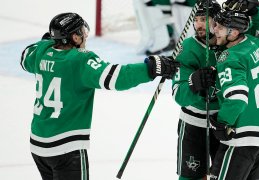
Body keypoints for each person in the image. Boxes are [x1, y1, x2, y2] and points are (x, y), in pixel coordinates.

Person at [20, 12, 179, 180]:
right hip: (65, 147)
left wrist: (48, 41)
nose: (85, 36)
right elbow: (116, 77)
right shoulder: (79, 60)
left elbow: (24, 57)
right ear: (74, 37)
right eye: (82, 31)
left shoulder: (40, 51)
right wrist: (150, 69)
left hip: (38, 145)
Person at [171, 0, 259, 179]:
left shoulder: (236, 40)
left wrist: (254, 10)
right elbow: (178, 95)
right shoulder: (189, 48)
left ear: (217, 22)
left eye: (204, 19)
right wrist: (194, 82)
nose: (198, 24)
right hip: (196, 124)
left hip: (228, 124)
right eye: (196, 19)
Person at [209, 9, 259, 180]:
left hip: (243, 135)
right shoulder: (254, 43)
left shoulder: (229, 57)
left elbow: (237, 98)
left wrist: (222, 123)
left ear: (234, 32)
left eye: (220, 27)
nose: (214, 30)